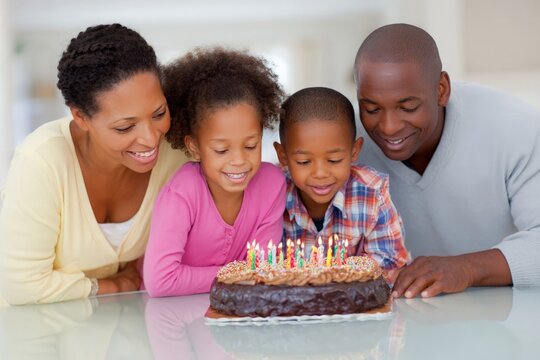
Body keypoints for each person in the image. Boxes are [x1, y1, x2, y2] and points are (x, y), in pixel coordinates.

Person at [0, 24, 187, 306]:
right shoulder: (41, 161)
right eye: (125, 127)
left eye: (159, 113)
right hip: (35, 337)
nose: (151, 138)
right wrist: (111, 285)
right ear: (81, 117)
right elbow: (20, 287)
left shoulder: (175, 157)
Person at [354, 23, 540, 298]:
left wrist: (465, 268)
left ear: (441, 89)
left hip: (507, 319)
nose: (389, 127)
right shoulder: (345, 144)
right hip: (401, 324)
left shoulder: (515, 127)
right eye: (371, 109)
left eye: (408, 107)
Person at [143, 48, 286, 297]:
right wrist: (240, 274)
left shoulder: (272, 184)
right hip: (170, 318)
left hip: (239, 319)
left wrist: (249, 275)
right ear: (195, 147)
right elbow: (161, 281)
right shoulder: (182, 192)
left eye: (251, 145)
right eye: (221, 150)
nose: (239, 161)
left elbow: (265, 271)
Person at [273, 87, 409, 270]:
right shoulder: (272, 193)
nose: (320, 173)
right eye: (304, 162)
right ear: (283, 156)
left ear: (354, 151)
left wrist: (336, 274)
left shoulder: (372, 193)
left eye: (334, 160)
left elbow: (391, 260)